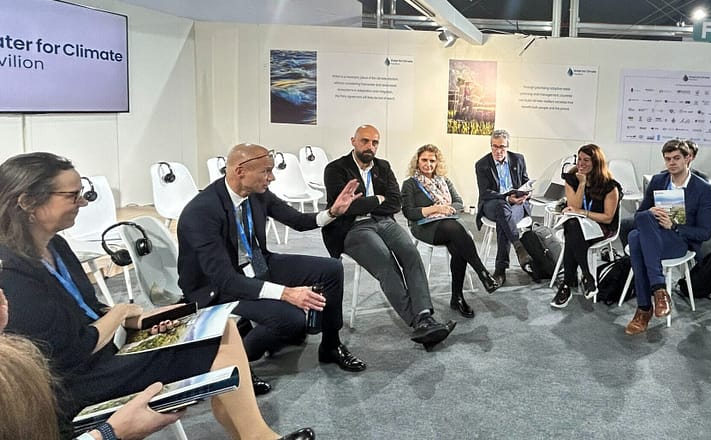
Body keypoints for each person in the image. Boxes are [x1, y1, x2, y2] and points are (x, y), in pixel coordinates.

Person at [0, 152, 313, 440]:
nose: (82, 203)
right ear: (27, 202)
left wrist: (141, 320)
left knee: (221, 327)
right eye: (72, 196)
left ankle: (253, 433)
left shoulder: (56, 245)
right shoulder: (12, 275)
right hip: (74, 383)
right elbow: (72, 352)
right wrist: (121, 313)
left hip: (101, 353)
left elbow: (89, 309)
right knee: (215, 344)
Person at [177, 144, 367, 388]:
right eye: (266, 171)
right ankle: (232, 364)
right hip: (216, 286)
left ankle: (331, 345)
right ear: (240, 171)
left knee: (331, 269)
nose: (272, 177)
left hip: (256, 263)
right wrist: (286, 294)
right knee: (292, 319)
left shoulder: (257, 194)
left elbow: (298, 221)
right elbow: (224, 279)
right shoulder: (201, 211)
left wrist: (332, 212)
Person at [322, 125, 454, 348]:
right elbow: (344, 207)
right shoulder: (335, 169)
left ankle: (424, 314)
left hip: (384, 222)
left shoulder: (383, 166)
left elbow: (395, 203)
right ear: (353, 141)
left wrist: (370, 203)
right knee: (386, 262)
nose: (370, 146)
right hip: (353, 228)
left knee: (411, 254)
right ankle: (418, 321)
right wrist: (377, 199)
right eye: (365, 141)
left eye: (375, 142)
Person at [0, 289, 185, 440]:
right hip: (76, 383)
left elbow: (89, 308)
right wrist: (110, 433)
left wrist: (132, 319)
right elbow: (79, 347)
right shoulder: (13, 371)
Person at [400, 144, 502, 318]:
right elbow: (409, 212)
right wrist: (436, 209)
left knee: (458, 245)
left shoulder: (444, 181)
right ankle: (482, 273)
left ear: (437, 163)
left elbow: (458, 202)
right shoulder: (409, 184)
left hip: (448, 224)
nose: (428, 164)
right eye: (424, 160)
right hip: (423, 226)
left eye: (432, 161)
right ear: (417, 161)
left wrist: (447, 209)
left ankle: (457, 298)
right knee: (456, 230)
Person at [624, 140, 711, 335]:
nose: (671, 163)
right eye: (667, 159)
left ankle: (643, 310)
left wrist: (674, 226)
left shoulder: (702, 188)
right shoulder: (658, 180)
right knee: (644, 221)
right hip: (653, 236)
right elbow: (639, 215)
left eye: (676, 158)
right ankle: (659, 290)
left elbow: (705, 232)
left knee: (635, 238)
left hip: (678, 241)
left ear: (688, 158)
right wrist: (651, 212)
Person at [550, 144, 622, 308]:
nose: (581, 164)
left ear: (596, 162)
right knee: (573, 225)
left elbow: (607, 218)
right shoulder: (571, 178)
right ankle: (587, 276)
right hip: (578, 224)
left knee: (572, 234)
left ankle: (567, 285)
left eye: (586, 160)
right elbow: (574, 206)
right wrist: (581, 183)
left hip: (601, 227)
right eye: (579, 159)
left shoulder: (610, 186)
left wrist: (583, 213)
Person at [474, 129, 532, 282]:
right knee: (502, 208)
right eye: (494, 146)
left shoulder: (518, 159)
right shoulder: (482, 164)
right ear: (491, 146)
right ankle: (518, 246)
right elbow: (485, 192)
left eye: (502, 147)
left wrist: (525, 194)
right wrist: (506, 198)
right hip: (492, 203)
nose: (498, 151)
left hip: (517, 204)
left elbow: (525, 182)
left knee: (504, 220)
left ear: (507, 146)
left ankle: (500, 270)